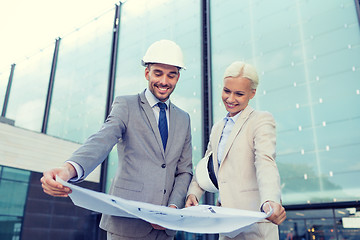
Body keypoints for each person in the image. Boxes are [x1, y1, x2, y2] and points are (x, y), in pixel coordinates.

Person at [41, 39, 193, 240]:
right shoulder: (126, 105)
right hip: (126, 223)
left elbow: (184, 171)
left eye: (171, 75)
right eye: (158, 73)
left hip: (164, 229)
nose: (164, 81)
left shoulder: (184, 119)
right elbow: (102, 140)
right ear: (147, 73)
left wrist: (172, 209)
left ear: (178, 77)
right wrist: (68, 169)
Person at [186, 61, 286, 240]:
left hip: (255, 225)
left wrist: (270, 200)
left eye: (239, 94)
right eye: (226, 91)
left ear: (252, 93)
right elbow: (206, 164)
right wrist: (194, 193)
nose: (230, 99)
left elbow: (265, 161)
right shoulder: (218, 128)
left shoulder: (261, 120)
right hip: (226, 226)